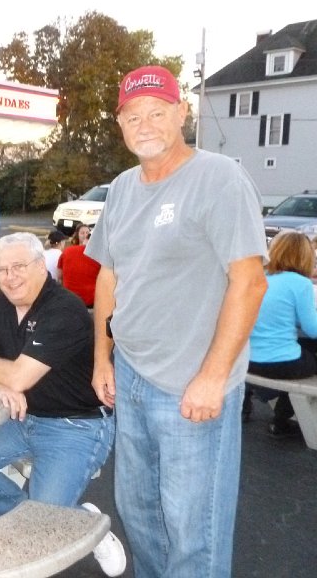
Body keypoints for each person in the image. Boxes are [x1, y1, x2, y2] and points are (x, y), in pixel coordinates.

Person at [86, 65, 268, 577]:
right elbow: (108, 277)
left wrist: (212, 377)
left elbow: (250, 282)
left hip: (192, 385)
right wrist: (102, 358)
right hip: (132, 377)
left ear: (182, 113)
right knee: (141, 517)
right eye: (133, 116)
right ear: (120, 125)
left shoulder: (218, 178)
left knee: (193, 533)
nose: (144, 125)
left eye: (157, 112)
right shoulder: (121, 189)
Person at [0, 232, 125, 577]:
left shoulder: (64, 309)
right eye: (2, 269)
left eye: (19, 266)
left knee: (42, 523)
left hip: (76, 425)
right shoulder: (3, 304)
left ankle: (82, 526)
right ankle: (69, 520)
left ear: (42, 265)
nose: (10, 277)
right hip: (25, 417)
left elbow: (7, 372)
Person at [246, 231, 317, 437]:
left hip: (250, 359)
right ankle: (281, 421)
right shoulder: (300, 283)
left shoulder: (260, 278)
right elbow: (313, 329)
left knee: (304, 349)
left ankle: (251, 407)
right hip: (280, 364)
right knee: (308, 356)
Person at [57, 223, 100, 307]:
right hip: (90, 300)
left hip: (70, 299)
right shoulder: (98, 255)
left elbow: (59, 276)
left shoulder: (67, 251)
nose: (85, 235)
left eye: (87, 233)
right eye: (82, 233)